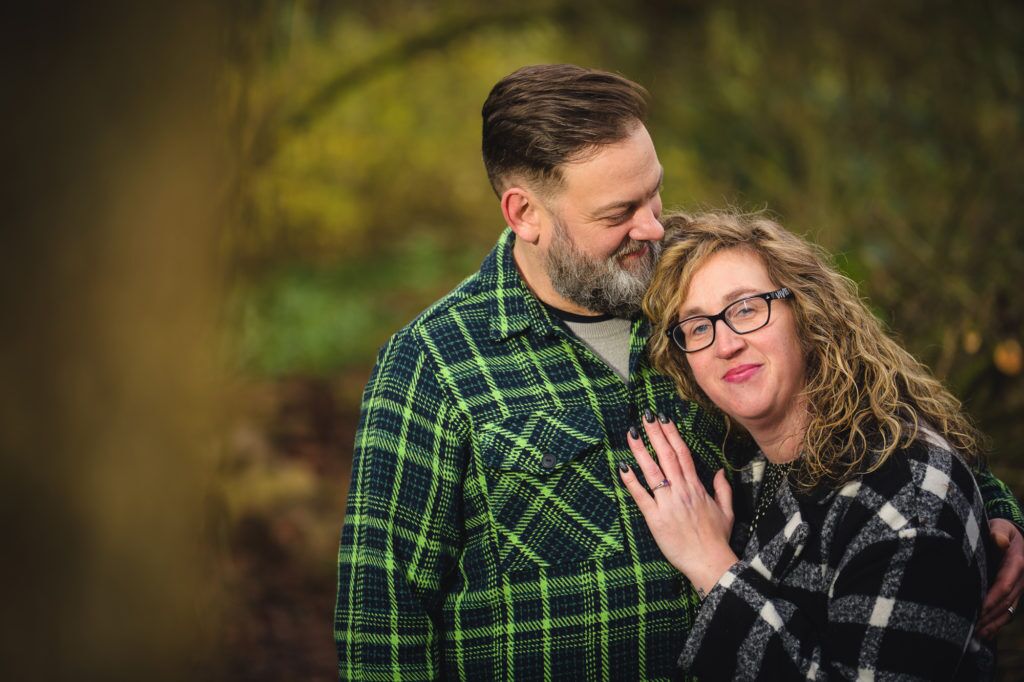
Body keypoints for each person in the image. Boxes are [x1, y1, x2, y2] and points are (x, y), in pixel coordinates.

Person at [334, 64, 1024, 680]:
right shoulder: (434, 364)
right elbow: (380, 625)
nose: (653, 229)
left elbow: (854, 402)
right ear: (526, 215)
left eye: (653, 194)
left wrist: (987, 509)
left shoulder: (698, 295)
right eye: (619, 212)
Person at [620, 210, 1019, 679]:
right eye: (698, 326)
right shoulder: (751, 463)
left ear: (808, 313)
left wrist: (712, 566)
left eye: (746, 308)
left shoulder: (906, 504)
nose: (724, 344)